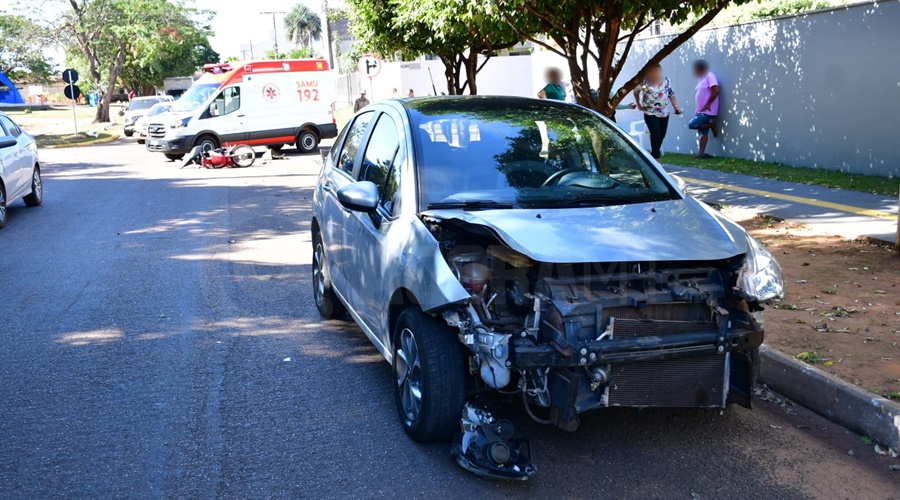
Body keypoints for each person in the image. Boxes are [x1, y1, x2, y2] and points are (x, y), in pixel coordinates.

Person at [630, 63, 682, 159]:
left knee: (661, 134)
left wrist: (675, 106)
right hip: (650, 112)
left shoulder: (665, 80)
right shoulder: (644, 81)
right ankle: (655, 158)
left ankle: (653, 155)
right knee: (655, 134)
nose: (655, 74)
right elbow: (636, 91)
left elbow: (670, 93)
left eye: (657, 71)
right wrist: (638, 104)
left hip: (664, 111)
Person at [687, 59, 720, 158]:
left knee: (692, 125)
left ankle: (712, 125)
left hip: (708, 110)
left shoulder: (710, 76)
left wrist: (708, 104)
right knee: (703, 133)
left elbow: (716, 90)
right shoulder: (700, 79)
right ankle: (701, 154)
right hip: (700, 110)